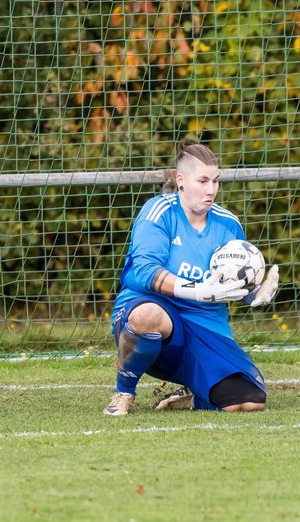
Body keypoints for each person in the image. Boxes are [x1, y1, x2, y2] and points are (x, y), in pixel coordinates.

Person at [105, 139, 280, 416]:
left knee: (247, 400)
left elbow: (229, 284)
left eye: (215, 181)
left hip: (204, 326)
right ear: (181, 180)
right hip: (156, 321)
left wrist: (252, 293)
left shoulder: (228, 224)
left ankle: (193, 396)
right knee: (148, 315)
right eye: (202, 181)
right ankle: (124, 392)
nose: (211, 190)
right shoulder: (159, 212)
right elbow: (145, 272)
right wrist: (198, 290)